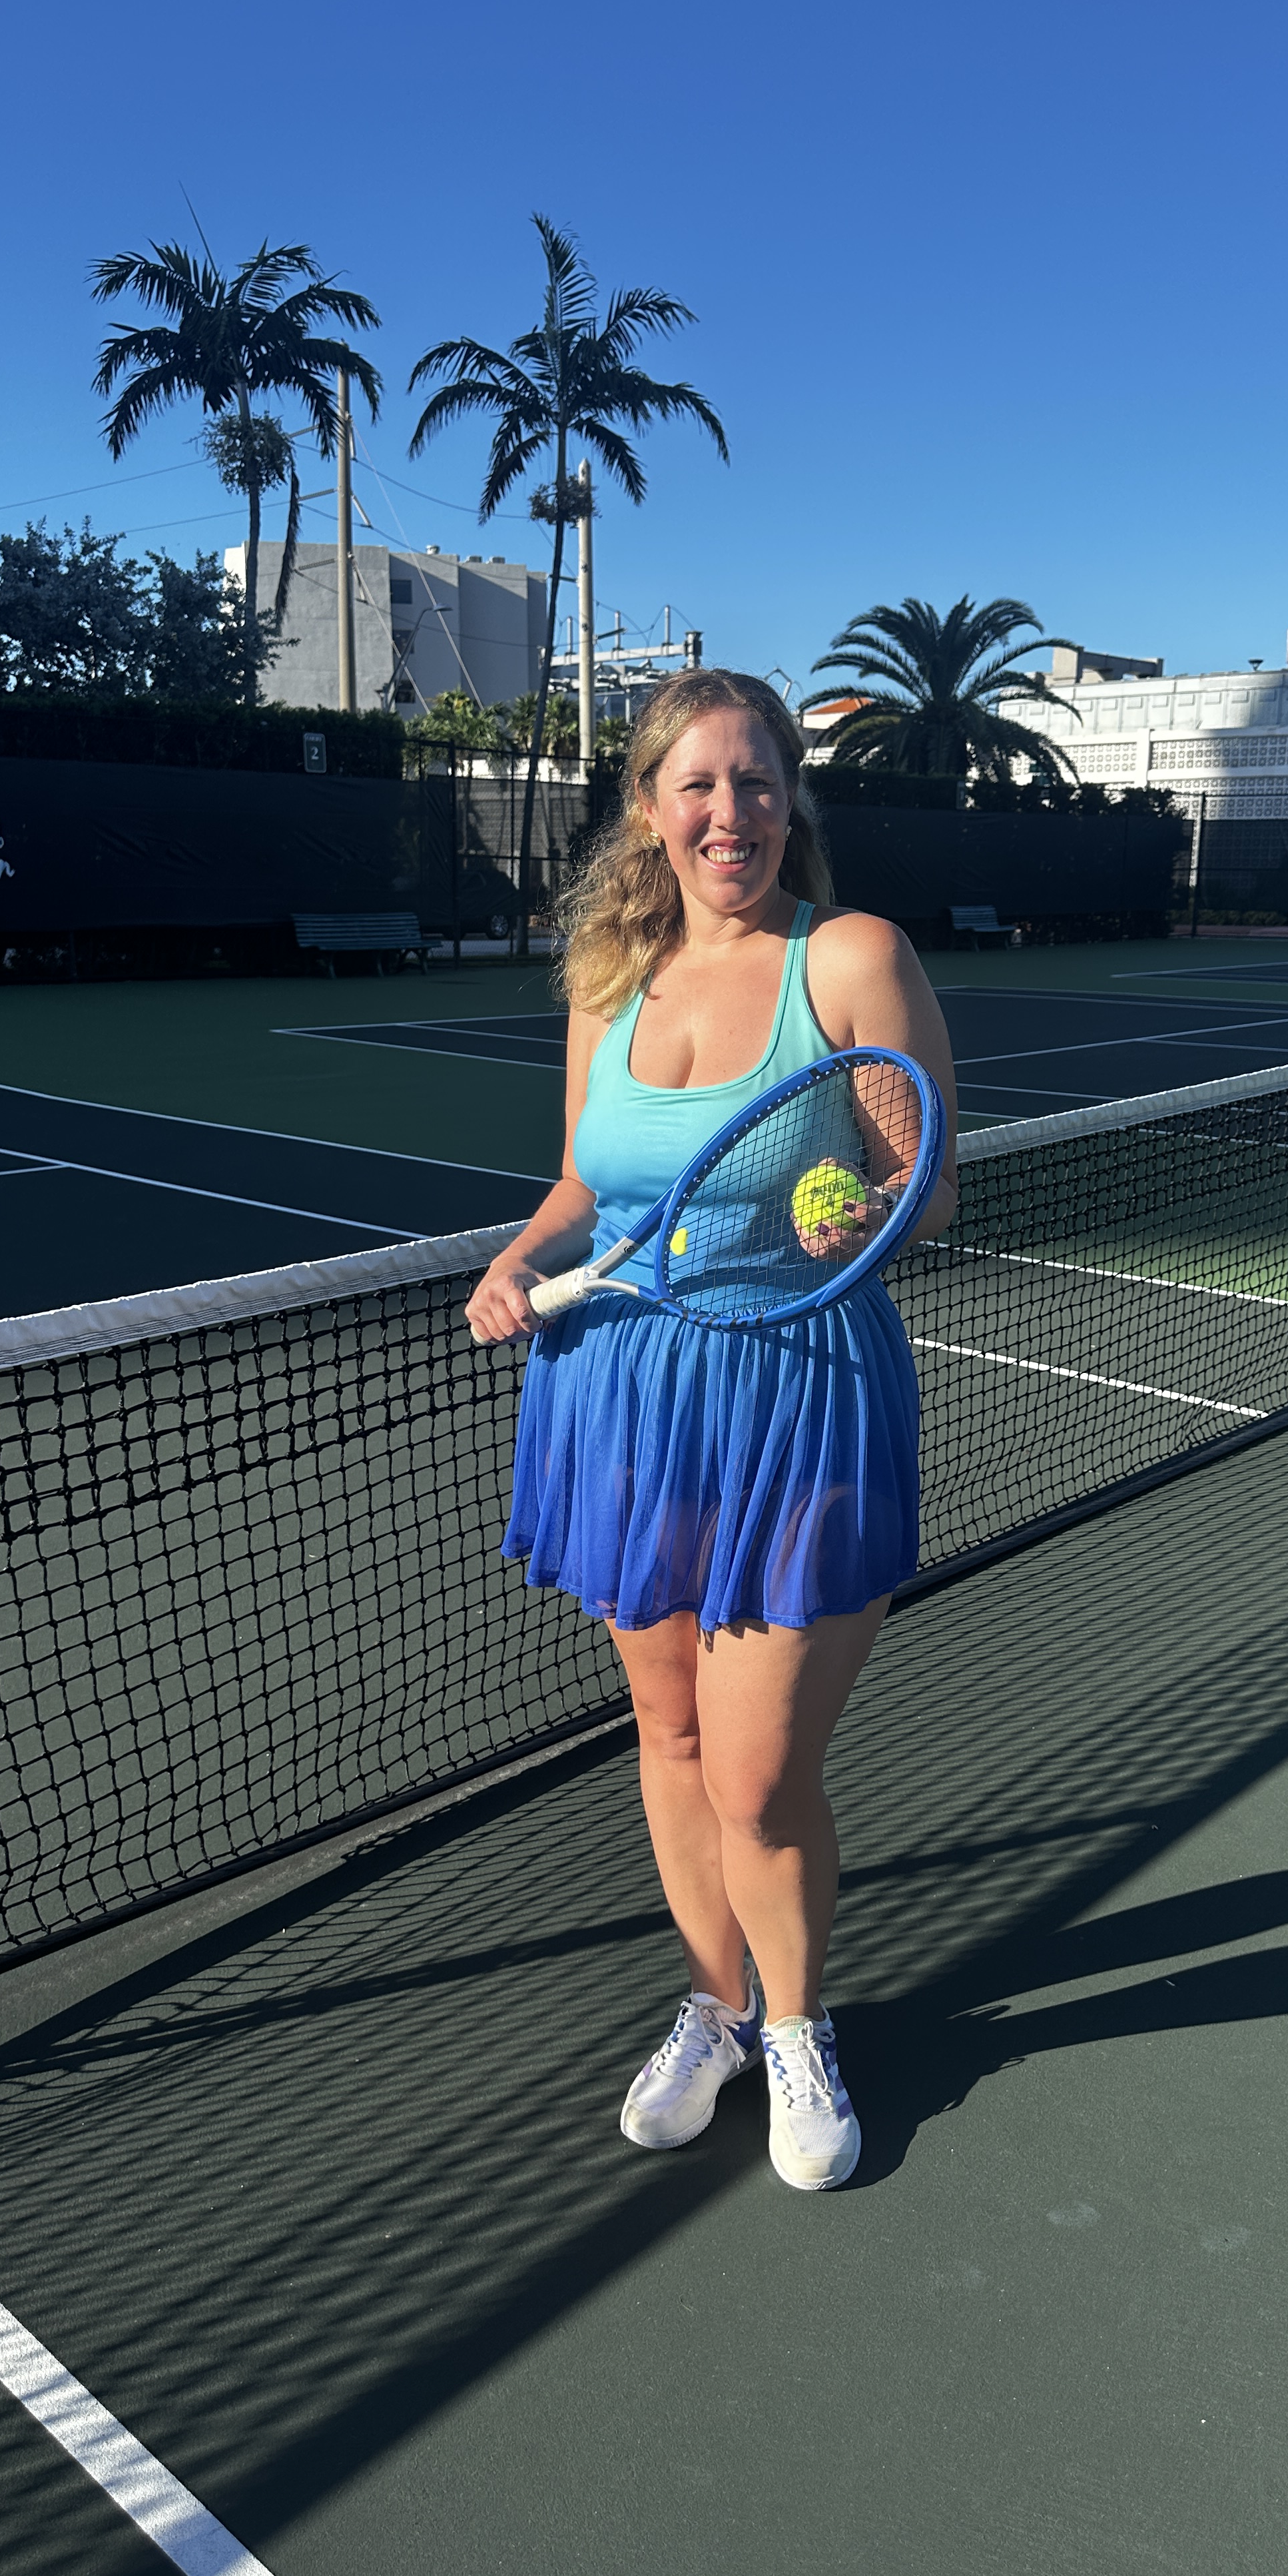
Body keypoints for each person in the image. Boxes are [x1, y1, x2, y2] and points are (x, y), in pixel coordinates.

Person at [467, 669, 958, 2190]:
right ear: (650, 809)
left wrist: (864, 1218)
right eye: (698, 783)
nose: (729, 811)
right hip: (621, 1394)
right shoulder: (608, 978)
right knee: (670, 1737)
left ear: (790, 802)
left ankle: (797, 2025)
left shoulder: (852, 959)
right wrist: (517, 1260)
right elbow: (584, 1183)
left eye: (756, 781)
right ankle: (719, 2006)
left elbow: (929, 1180)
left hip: (797, 1396)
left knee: (755, 1778)